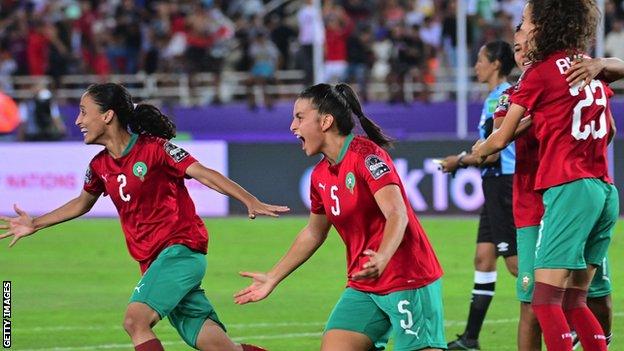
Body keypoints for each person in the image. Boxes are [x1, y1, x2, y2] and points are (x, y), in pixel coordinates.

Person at [0, 83, 289, 351]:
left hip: (180, 250)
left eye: (84, 112)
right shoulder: (99, 165)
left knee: (134, 321)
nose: (78, 121)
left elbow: (203, 173)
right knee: (217, 345)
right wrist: (35, 224)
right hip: (152, 262)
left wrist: (248, 199)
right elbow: (81, 203)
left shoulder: (155, 149)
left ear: (108, 116)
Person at [234, 83, 446, 351]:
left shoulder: (366, 156)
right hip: (365, 284)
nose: (292, 126)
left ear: (325, 121)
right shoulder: (320, 175)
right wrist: (273, 276)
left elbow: (396, 213)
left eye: (299, 117)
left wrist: (382, 256)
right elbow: (314, 232)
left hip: (408, 278)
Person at [474, 1, 618, 350]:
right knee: (575, 299)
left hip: (566, 190)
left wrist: (477, 151)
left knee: (545, 300)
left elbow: (500, 139)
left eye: (523, 25)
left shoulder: (540, 76)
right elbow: (610, 129)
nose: (518, 34)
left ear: (543, 27)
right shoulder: (585, 68)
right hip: (603, 188)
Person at [440, 40, 517, 351]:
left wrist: (458, 161)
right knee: (484, 259)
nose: (476, 66)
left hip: (504, 184)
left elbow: (495, 154)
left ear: (496, 64)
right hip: (492, 184)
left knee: (514, 264)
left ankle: (566, 321)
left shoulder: (504, 97)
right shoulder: (493, 98)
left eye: (480, 60)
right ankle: (470, 339)